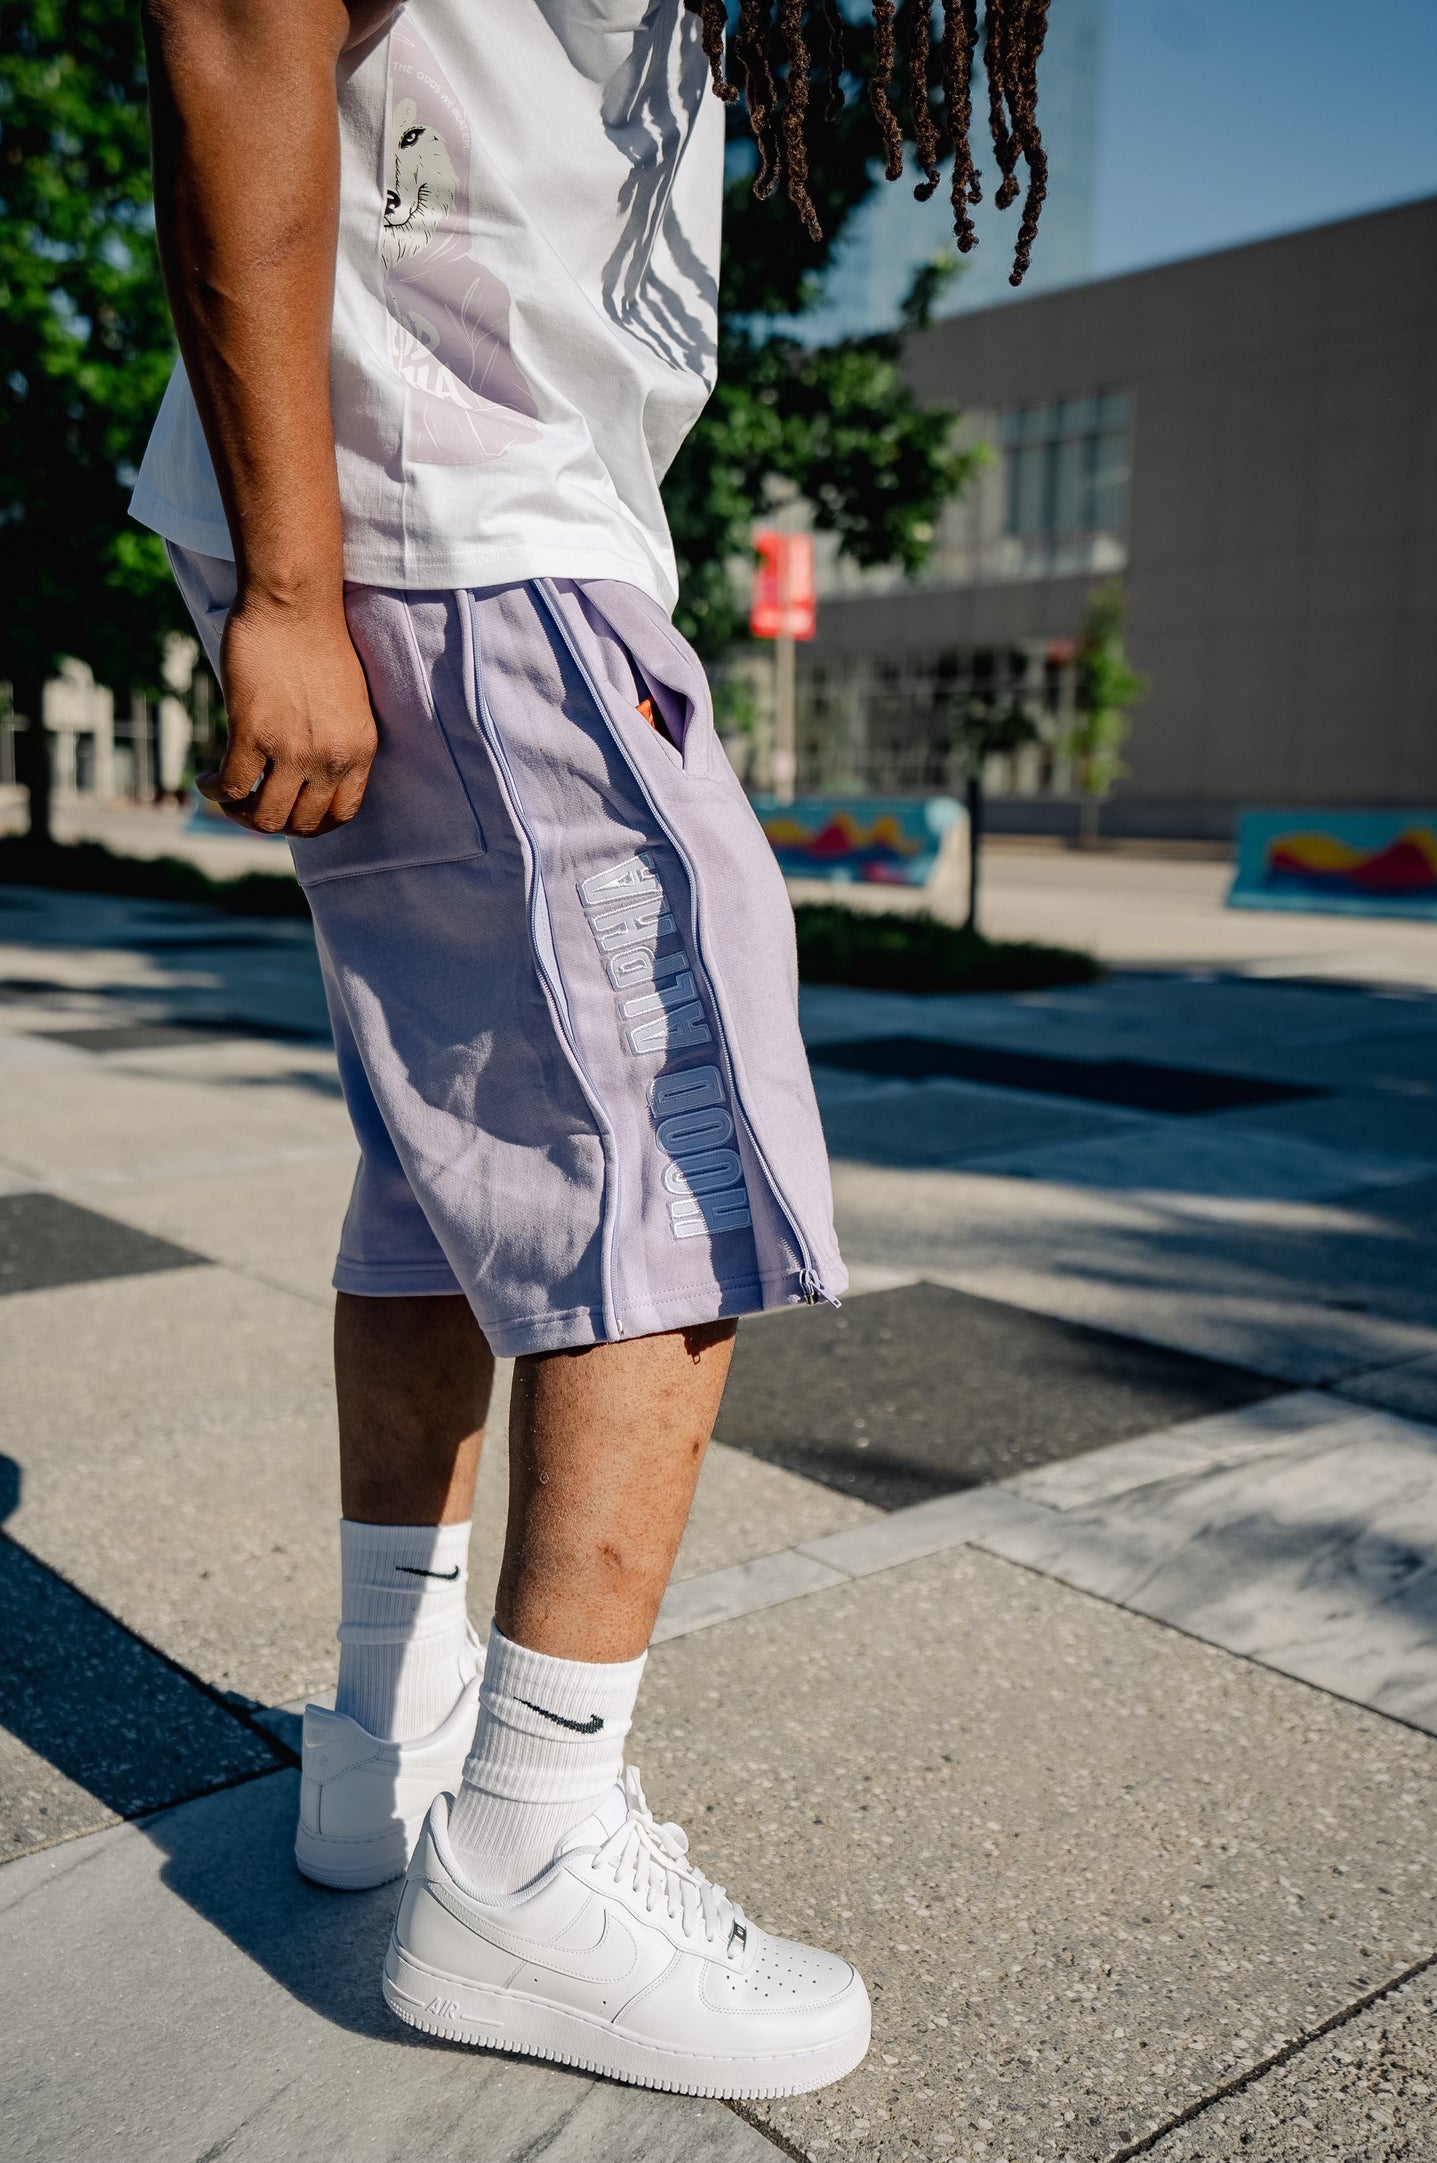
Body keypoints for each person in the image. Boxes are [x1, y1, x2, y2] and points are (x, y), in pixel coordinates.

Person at [134, 0, 1049, 2100]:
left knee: (450, 1155)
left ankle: (387, 1745)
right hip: (451, 508)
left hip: (438, 500)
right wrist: (293, 573)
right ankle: (536, 1841)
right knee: (664, 1128)